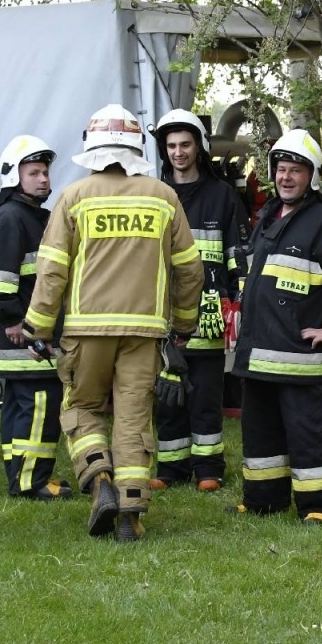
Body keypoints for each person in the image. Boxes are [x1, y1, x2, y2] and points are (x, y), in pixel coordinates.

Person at [24, 105, 203, 542]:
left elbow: (52, 271)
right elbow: (190, 270)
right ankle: (131, 512)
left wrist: (38, 327)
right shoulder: (163, 196)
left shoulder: (74, 196)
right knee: (132, 418)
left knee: (81, 408)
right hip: (144, 333)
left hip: (86, 333)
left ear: (92, 148)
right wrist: (182, 325)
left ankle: (99, 479)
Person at [232, 129, 322, 523]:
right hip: (257, 356)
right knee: (260, 434)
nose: (286, 177)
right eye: (281, 169)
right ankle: (263, 500)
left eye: (295, 170)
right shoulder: (268, 217)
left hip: (298, 360)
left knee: (309, 434)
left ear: (312, 176)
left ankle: (317, 506)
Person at [150, 109, 249, 492]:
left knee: (205, 394)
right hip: (163, 312)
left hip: (208, 313)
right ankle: (171, 469)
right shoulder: (154, 194)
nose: (178, 152)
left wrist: (237, 300)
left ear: (199, 148)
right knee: (167, 394)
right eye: (171, 145)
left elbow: (238, 254)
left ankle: (209, 469)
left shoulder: (221, 196)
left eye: (185, 145)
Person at [0, 135, 71, 501]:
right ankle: (33, 481)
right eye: (33, 172)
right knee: (39, 408)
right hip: (24, 338)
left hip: (20, 337)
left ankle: (19, 477)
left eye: (45, 172)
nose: (44, 179)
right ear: (13, 177)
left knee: (19, 410)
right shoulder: (13, 219)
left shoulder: (33, 217)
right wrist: (15, 321)